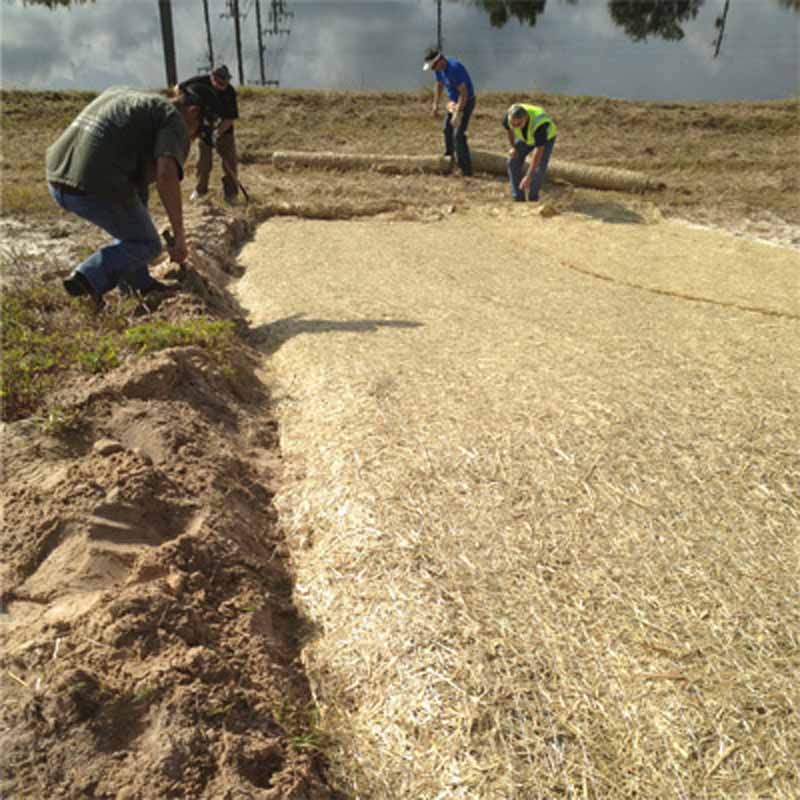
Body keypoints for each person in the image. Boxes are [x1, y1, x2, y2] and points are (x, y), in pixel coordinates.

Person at [47, 85, 214, 308]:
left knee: (138, 206)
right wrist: (180, 236)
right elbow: (166, 174)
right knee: (147, 243)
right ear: (193, 112)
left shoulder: (130, 97)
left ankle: (137, 284)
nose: (193, 138)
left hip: (57, 177)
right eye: (199, 131)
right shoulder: (173, 119)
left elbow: (144, 173)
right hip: (90, 186)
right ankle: (87, 277)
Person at [178, 65, 240, 204]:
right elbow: (178, 88)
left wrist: (217, 132)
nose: (223, 85)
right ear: (212, 78)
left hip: (224, 129)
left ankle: (231, 195)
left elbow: (230, 118)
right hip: (204, 128)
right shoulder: (199, 82)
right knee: (203, 161)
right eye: (219, 82)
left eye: (225, 82)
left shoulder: (229, 92)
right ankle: (200, 191)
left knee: (229, 161)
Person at [423, 48, 476, 177]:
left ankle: (466, 170)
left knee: (458, 135)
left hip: (466, 102)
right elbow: (439, 85)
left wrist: (458, 113)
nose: (432, 70)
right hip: (454, 102)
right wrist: (435, 104)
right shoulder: (439, 70)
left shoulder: (454, 69)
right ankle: (449, 160)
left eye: (433, 67)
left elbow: (464, 93)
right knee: (447, 129)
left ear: (440, 61)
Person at [503, 102, 557, 202]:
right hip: (527, 137)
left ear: (525, 118)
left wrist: (528, 176)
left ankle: (533, 198)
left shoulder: (539, 124)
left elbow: (538, 150)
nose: (515, 126)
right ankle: (518, 198)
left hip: (546, 138)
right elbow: (509, 130)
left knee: (539, 168)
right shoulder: (509, 116)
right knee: (512, 161)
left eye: (518, 124)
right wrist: (513, 147)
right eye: (513, 124)